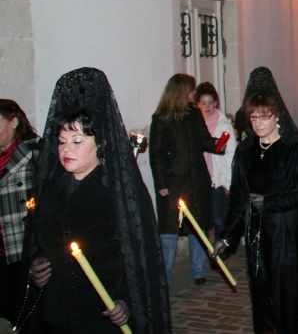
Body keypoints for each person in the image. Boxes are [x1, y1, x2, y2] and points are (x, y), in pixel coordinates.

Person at [28, 67, 170, 333]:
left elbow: (137, 258)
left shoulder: (117, 193)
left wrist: (125, 300)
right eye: (61, 141)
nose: (67, 149)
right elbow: (40, 241)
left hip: (101, 313)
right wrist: (36, 264)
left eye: (78, 140)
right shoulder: (50, 189)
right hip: (57, 312)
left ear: (101, 144)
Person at [215, 67, 298, 334]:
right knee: (262, 296)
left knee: (288, 298)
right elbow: (239, 197)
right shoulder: (246, 152)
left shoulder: (293, 148)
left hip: (287, 234)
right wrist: (226, 236)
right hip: (257, 233)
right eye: (253, 117)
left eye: (264, 117)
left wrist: (266, 203)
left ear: (276, 116)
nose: (258, 123)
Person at [150, 73, 219, 285]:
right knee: (170, 230)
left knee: (197, 227)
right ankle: (166, 273)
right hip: (173, 182)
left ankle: (199, 270)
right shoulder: (161, 118)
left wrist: (218, 143)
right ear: (181, 91)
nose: (194, 93)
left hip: (196, 179)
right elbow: (157, 154)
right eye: (191, 89)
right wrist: (161, 183)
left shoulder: (194, 114)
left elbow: (205, 141)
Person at [0, 100, 40, 327]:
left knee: (25, 310)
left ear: (14, 121)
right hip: (0, 249)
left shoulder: (35, 151)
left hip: (21, 245)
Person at [195, 82, 235, 240]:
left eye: (211, 103)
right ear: (197, 104)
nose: (207, 107)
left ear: (216, 102)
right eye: (203, 103)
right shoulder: (195, 124)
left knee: (219, 218)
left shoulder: (224, 126)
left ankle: (220, 252)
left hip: (217, 178)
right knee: (203, 218)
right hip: (201, 177)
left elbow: (229, 153)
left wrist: (228, 182)